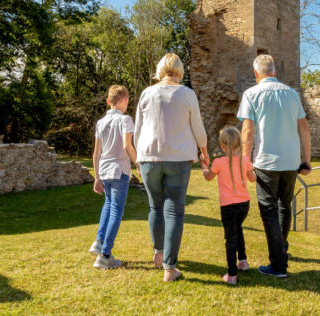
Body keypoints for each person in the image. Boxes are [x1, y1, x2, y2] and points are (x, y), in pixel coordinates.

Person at [134, 53, 209, 282]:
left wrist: (139, 157)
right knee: (174, 209)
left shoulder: (147, 93)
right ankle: (169, 267)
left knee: (155, 207)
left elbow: (138, 129)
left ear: (160, 71)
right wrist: (204, 152)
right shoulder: (186, 94)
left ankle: (158, 254)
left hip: (149, 156)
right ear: (179, 72)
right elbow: (198, 128)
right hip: (178, 157)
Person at [237, 54, 312, 278]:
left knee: (269, 211)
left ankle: (278, 265)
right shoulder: (291, 94)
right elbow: (304, 128)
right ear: (275, 72)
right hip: (290, 161)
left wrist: (245, 160)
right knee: (284, 206)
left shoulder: (251, 94)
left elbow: (248, 132)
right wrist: (306, 159)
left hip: (266, 161)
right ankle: (281, 250)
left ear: (256, 74)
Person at [89, 85, 140, 269]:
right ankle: (105, 255)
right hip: (119, 170)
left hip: (104, 169)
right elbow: (128, 146)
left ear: (108, 102)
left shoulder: (100, 123)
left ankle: (99, 241)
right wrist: (138, 164)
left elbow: (96, 153)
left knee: (108, 205)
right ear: (125, 101)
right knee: (116, 210)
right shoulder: (125, 120)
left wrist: (96, 177)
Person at [200, 126, 256, 285]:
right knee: (238, 229)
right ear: (239, 144)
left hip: (228, 207)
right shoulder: (245, 160)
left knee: (230, 238)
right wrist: (251, 168)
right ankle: (243, 261)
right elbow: (253, 179)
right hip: (244, 204)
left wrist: (204, 166)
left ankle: (232, 275)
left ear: (223, 146)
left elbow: (208, 177)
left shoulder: (218, 162)